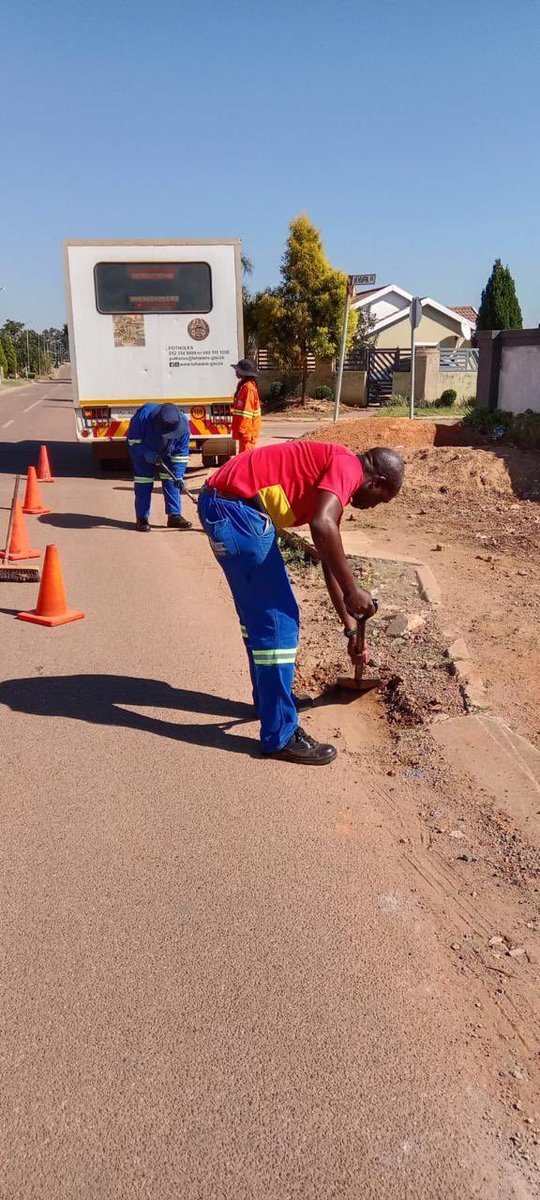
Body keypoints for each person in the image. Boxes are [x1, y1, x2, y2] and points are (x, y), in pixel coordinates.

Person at [198, 439, 404, 765]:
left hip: (226, 507)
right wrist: (354, 590)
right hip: (236, 511)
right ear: (376, 482)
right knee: (278, 622)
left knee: (260, 619)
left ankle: (271, 702)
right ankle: (280, 733)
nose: (373, 506)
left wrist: (351, 629)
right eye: (381, 500)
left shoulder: (333, 477)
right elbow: (322, 526)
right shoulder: (347, 467)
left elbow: (328, 556)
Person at [127, 403, 192, 532]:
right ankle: (142, 518)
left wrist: (178, 476)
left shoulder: (183, 424)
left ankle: (174, 516)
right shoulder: (142, 417)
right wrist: (145, 452)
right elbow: (133, 441)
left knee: (171, 480)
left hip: (169, 452)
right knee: (143, 481)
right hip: (144, 451)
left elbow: (181, 454)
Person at [231, 359, 262, 453]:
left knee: (245, 459)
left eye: (238, 370)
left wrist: (242, 430)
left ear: (243, 373)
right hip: (246, 432)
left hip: (247, 432)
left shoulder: (248, 388)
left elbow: (247, 412)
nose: (236, 371)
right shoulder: (244, 386)